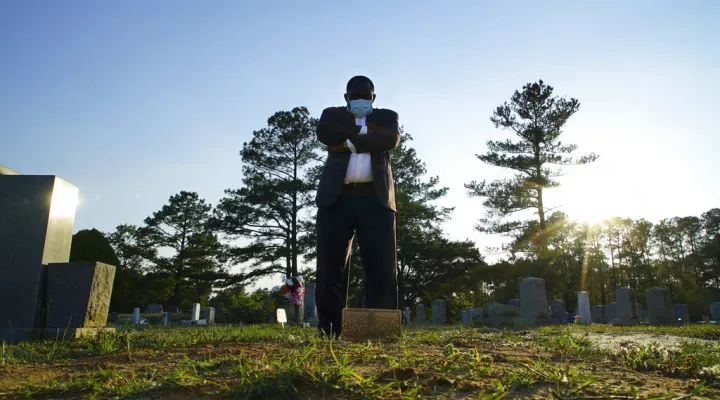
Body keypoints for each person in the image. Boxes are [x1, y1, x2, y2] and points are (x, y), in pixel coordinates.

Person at [314, 75, 400, 338]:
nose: (360, 101)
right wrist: (367, 135)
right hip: (336, 198)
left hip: (375, 199)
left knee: (382, 266)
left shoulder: (386, 116)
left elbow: (390, 139)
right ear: (346, 98)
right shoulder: (332, 115)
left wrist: (348, 143)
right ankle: (330, 329)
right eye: (355, 97)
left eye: (366, 97)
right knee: (330, 265)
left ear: (374, 98)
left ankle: (380, 330)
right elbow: (325, 133)